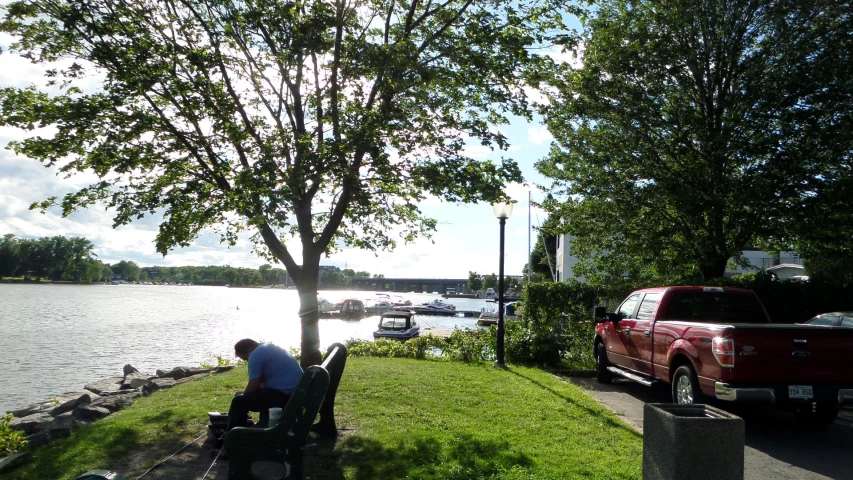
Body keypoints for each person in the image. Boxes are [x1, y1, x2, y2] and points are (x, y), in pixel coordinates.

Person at [226, 338, 304, 431]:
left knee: (238, 401)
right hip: (297, 392)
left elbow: (254, 384)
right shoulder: (267, 347)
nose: (248, 361)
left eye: (246, 358)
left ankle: (232, 436)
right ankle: (244, 425)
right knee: (243, 397)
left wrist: (244, 397)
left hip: (286, 397)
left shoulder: (255, 355)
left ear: (248, 349)